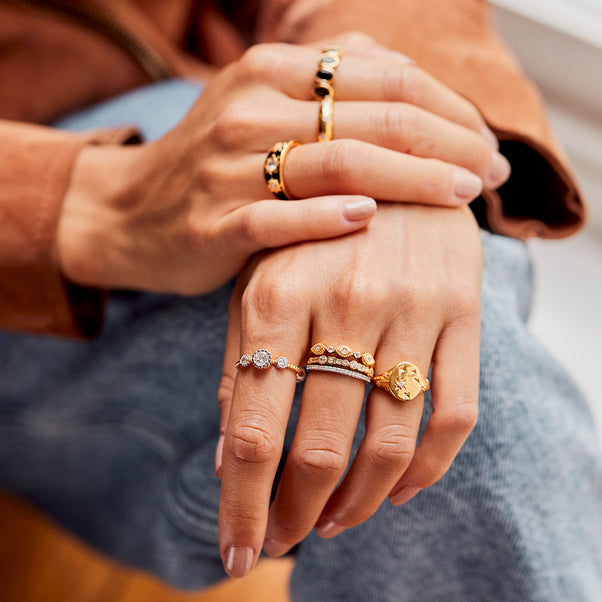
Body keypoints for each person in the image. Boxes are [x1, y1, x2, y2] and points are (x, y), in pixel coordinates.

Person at [0, 1, 600, 600]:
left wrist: (393, 132)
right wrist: (94, 201)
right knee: (420, 389)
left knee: (431, 346)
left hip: (192, 106)